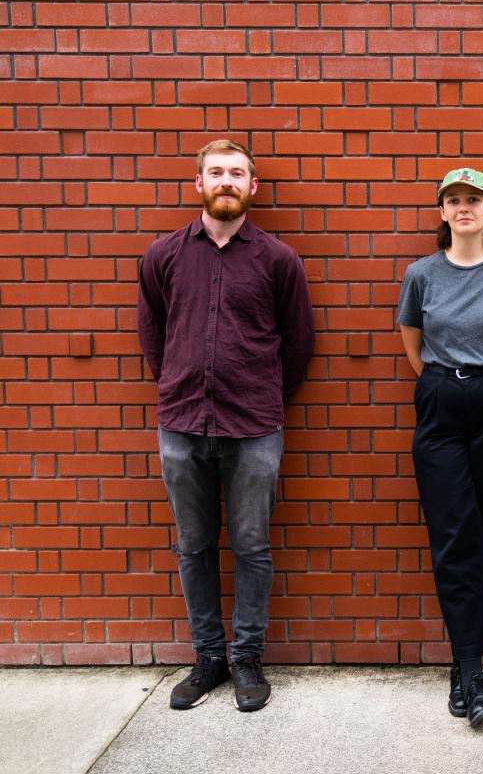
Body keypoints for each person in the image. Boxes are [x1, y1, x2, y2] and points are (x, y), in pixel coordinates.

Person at [137, 139, 315, 712]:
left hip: (254, 426)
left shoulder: (278, 260)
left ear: (253, 187)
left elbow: (298, 343)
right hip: (182, 421)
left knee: (252, 545)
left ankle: (247, 659)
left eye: (237, 173)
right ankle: (208, 658)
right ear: (198, 184)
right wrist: (177, 382)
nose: (226, 181)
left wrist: (263, 393)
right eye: (216, 172)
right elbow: (152, 334)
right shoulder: (163, 256)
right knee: (193, 546)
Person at [396, 167, 483, 727]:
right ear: (441, 212)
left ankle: (468, 666)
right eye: (452, 200)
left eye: (472, 200)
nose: (463, 208)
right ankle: (470, 668)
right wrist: (446, 381)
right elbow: (412, 341)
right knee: (453, 530)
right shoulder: (421, 274)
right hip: (440, 399)